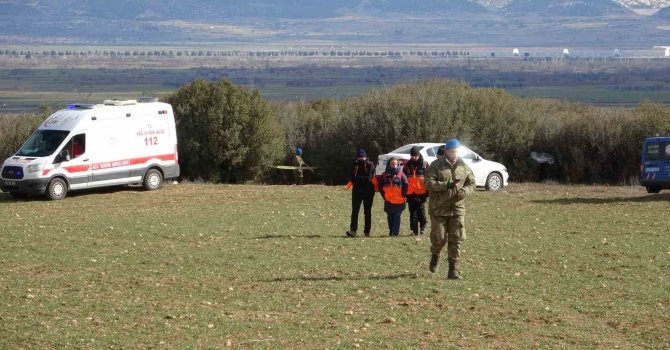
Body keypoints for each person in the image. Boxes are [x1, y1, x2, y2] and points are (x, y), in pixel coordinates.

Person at [425, 139, 475, 279]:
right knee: (440, 239)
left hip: (457, 209)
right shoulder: (436, 165)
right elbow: (428, 183)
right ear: (446, 151)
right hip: (438, 209)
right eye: (452, 151)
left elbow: (472, 183)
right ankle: (435, 254)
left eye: (456, 151)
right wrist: (446, 185)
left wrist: (465, 191)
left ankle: (453, 270)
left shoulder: (464, 166)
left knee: (456, 238)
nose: (454, 154)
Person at [346, 149, 377, 238]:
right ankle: (353, 230)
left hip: (368, 191)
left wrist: (359, 179)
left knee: (367, 212)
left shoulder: (370, 164)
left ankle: (367, 231)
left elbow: (369, 177)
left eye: (362, 157)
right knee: (355, 211)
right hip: (357, 191)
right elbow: (351, 178)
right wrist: (360, 180)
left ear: (365, 156)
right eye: (359, 157)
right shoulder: (354, 165)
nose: (361, 159)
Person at [403, 146, 429, 235]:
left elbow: (429, 179)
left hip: (421, 192)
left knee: (421, 211)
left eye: (416, 155)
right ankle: (414, 230)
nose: (414, 157)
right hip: (410, 192)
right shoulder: (406, 165)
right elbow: (404, 178)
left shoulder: (425, 164)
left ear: (419, 155)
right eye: (412, 155)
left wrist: (428, 193)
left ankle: (423, 227)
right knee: (412, 213)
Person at [379, 157, 408, 237]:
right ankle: (391, 231)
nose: (394, 165)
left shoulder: (401, 174)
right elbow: (380, 187)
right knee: (390, 216)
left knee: (397, 216)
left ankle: (395, 233)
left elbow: (405, 184)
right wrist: (384, 196)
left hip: (399, 200)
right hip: (388, 200)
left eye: (396, 164)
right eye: (392, 164)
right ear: (389, 164)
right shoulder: (384, 175)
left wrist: (403, 194)